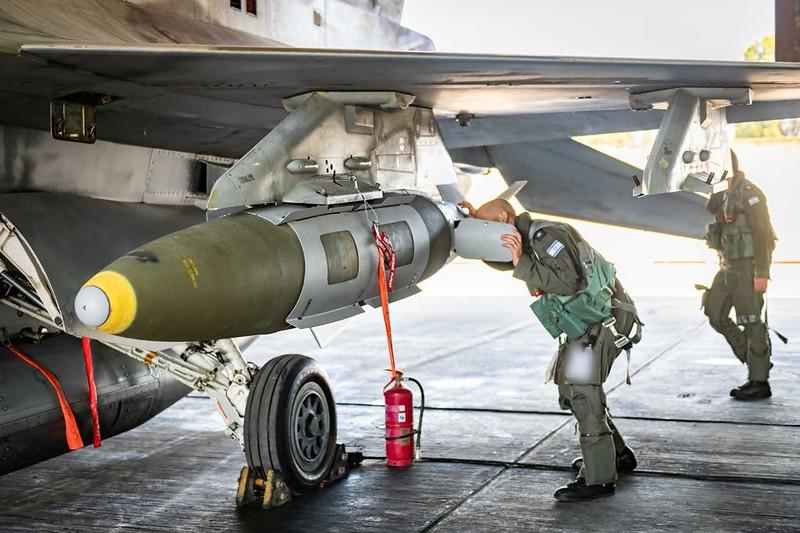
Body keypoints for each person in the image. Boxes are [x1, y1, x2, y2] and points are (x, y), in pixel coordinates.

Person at [462, 199, 642, 502]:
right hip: (585, 327)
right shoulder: (531, 238)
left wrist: (521, 261)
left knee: (583, 393)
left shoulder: (547, 237)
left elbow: (567, 282)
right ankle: (617, 456)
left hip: (600, 326)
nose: (486, 232)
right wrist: (470, 224)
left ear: (505, 218)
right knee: (570, 389)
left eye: (487, 225)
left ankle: (599, 479)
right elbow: (508, 262)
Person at [703, 151, 777, 400]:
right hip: (726, 268)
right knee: (714, 313)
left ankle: (759, 381)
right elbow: (710, 208)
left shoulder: (751, 194)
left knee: (752, 322)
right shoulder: (724, 195)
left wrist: (763, 272)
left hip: (748, 268)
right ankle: (754, 358)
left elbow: (764, 235)